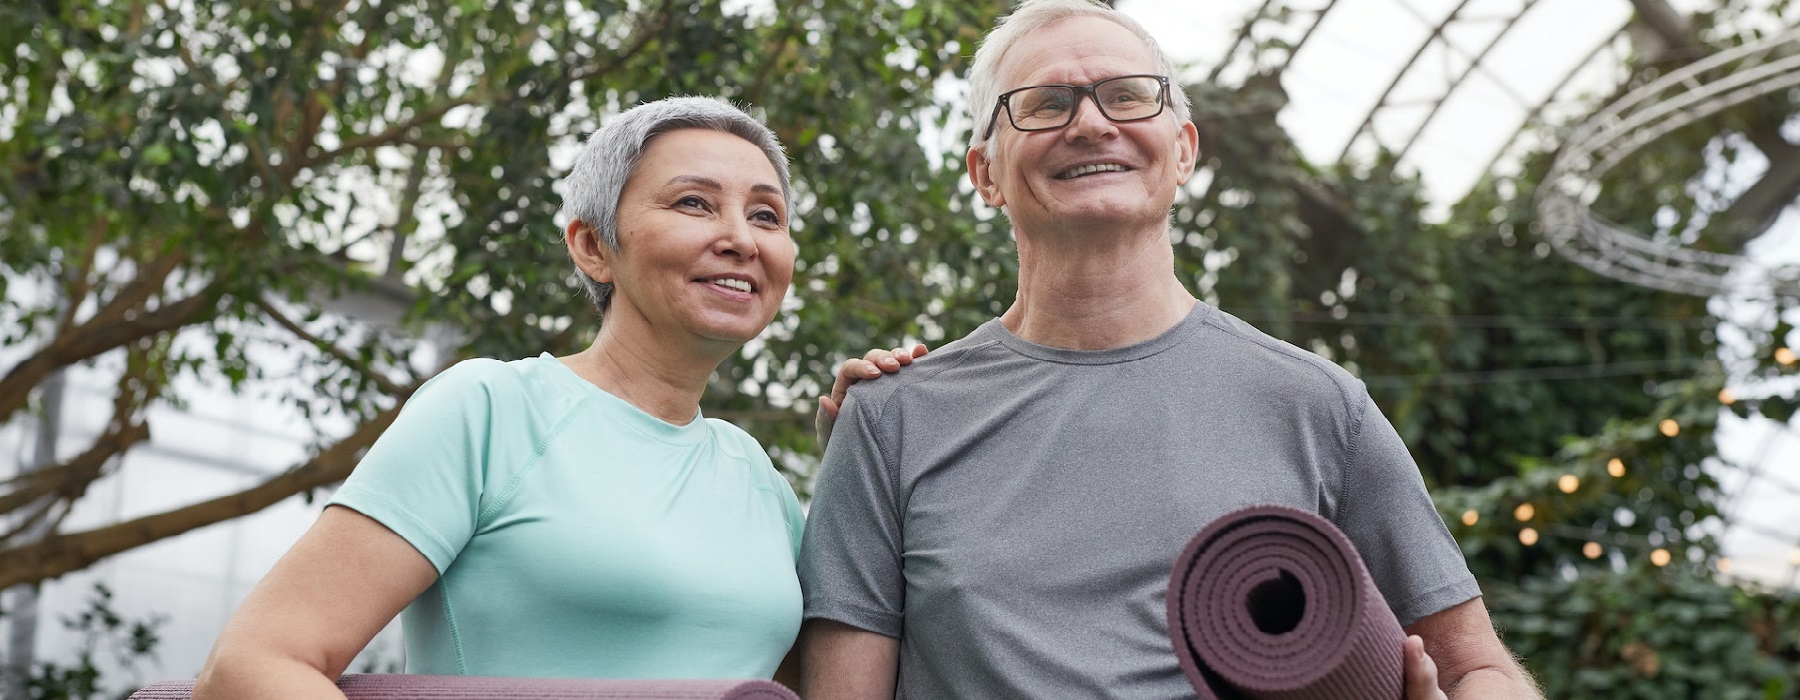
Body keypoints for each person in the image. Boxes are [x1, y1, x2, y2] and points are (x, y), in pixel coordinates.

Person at [797, 2, 1543, 698]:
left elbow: (1478, 667)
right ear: (985, 174)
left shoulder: (1318, 405)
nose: (1090, 124)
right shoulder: (890, 418)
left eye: (1127, 96)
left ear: (1182, 150)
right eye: (1046, 104)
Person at [195, 96, 902, 697]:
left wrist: (870, 458)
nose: (740, 239)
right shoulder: (490, 410)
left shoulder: (758, 478)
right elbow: (251, 666)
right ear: (593, 246)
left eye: (768, 216)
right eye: (694, 203)